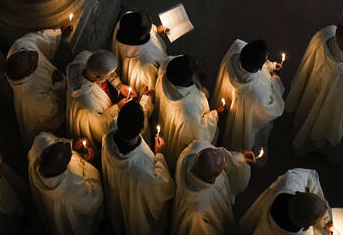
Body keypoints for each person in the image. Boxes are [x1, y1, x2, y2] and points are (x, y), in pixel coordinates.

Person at [286, 21, 343, 163]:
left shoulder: (325, 34)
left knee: (310, 109)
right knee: (323, 122)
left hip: (312, 91)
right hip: (332, 107)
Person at [101, 100, 174, 235]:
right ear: (142, 128)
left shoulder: (111, 130)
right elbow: (163, 188)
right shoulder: (142, 166)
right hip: (134, 209)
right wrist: (160, 155)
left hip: (116, 198)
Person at [212, 38, 284, 154]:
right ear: (259, 67)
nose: (268, 56)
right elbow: (272, 109)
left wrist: (270, 66)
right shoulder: (257, 92)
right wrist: (275, 79)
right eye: (266, 58)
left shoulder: (237, 46)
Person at [27, 132, 104, 235]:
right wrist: (90, 164)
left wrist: (73, 144)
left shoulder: (40, 145)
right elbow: (94, 199)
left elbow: (53, 141)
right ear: (63, 169)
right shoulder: (70, 187)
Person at [171, 141, 254, 235]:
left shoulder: (195, 149)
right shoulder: (197, 213)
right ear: (213, 179)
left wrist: (240, 157)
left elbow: (219, 154)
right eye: (222, 168)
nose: (226, 162)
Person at [154, 55, 219, 168]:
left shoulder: (165, 72)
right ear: (192, 77)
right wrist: (215, 115)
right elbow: (199, 135)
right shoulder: (189, 110)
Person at [66, 49, 131, 143]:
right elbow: (100, 127)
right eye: (110, 74)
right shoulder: (88, 102)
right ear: (98, 77)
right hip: (88, 120)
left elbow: (104, 70)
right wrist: (118, 108)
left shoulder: (85, 56)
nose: (111, 74)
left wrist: (118, 85)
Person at [110, 10, 168, 101]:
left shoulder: (125, 21)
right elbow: (152, 89)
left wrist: (156, 30)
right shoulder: (146, 61)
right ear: (142, 37)